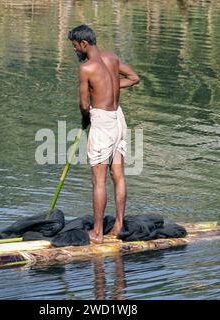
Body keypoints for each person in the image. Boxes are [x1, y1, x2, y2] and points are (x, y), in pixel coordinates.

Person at [68, 25, 140, 243]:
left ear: (84, 44)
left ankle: (97, 232)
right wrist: (113, 86)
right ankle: (118, 225)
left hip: (102, 121)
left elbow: (83, 104)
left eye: (75, 47)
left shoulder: (86, 68)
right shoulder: (112, 58)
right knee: (118, 175)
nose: (75, 51)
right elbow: (134, 78)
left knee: (98, 180)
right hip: (118, 118)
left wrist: (85, 118)